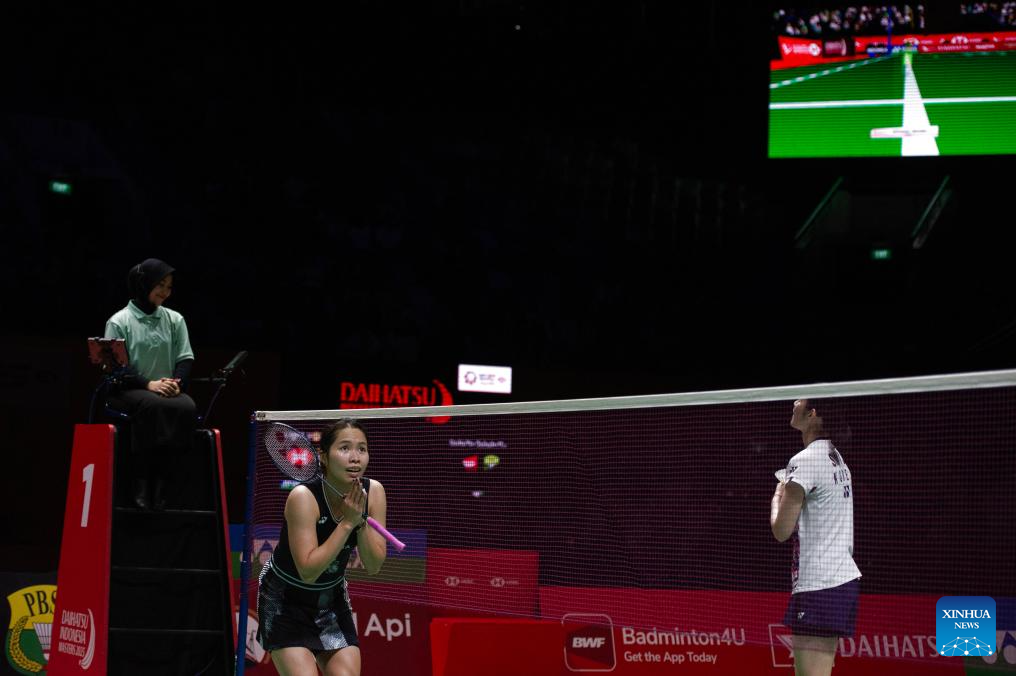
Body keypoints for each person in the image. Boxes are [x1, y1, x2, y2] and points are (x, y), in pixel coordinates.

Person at [258, 419, 388, 676]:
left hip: (330, 600)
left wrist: (360, 521)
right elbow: (308, 571)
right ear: (323, 456)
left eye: (362, 449)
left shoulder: (373, 492)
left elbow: (373, 566)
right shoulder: (303, 497)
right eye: (344, 448)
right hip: (285, 601)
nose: (355, 458)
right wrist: (347, 524)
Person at [770, 398, 861, 676]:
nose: (794, 401)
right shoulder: (835, 456)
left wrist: (776, 498)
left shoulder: (804, 461)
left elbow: (781, 530)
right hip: (838, 581)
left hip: (820, 586)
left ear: (812, 414)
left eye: (801, 399)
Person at [104, 258, 196, 510]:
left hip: (165, 389)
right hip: (130, 389)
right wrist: (149, 384)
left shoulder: (175, 319)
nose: (165, 292)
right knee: (152, 407)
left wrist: (176, 383)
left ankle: (167, 482)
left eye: (169, 287)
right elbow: (118, 369)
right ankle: (142, 481)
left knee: (187, 407)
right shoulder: (119, 321)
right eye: (160, 285)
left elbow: (185, 358)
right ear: (143, 284)